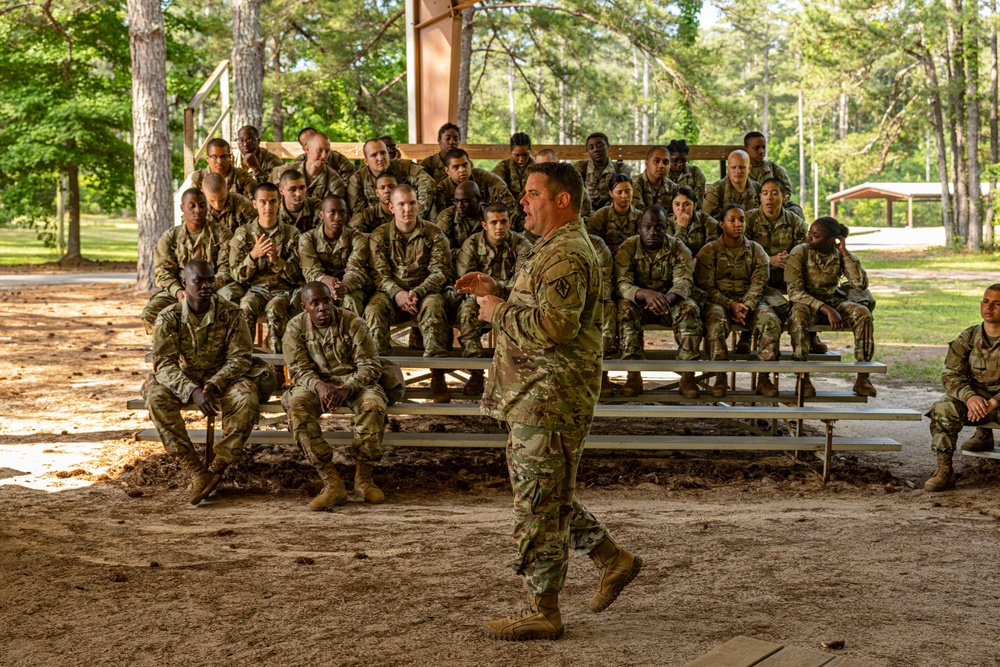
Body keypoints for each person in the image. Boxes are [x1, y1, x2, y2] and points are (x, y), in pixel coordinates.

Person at [456, 161, 642, 641]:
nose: (522, 201)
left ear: (562, 200)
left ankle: (544, 610)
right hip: (535, 396)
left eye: (533, 193)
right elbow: (542, 310)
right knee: (546, 495)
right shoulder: (553, 248)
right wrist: (498, 293)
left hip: (550, 398)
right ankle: (612, 559)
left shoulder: (566, 254)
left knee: (537, 504)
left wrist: (497, 313)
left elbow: (554, 328)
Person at [143, 259, 277, 505]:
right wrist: (192, 390)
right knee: (156, 397)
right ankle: (195, 470)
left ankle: (216, 468)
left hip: (224, 376)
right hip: (186, 377)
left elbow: (240, 358)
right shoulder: (168, 317)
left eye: (210, 280)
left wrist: (215, 383)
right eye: (199, 281)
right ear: (185, 283)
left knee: (246, 397)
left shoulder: (231, 313)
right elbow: (164, 364)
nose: (206, 286)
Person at [282, 282, 389, 509]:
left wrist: (348, 387)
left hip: (353, 382)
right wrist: (319, 386)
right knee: (296, 407)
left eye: (326, 301)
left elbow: (370, 365)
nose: (323, 307)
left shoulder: (352, 322)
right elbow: (298, 370)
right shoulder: (295, 328)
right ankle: (331, 482)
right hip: (315, 385)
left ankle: (364, 478)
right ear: (305, 306)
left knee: (372, 405)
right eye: (315, 303)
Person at [365, 184, 453, 403]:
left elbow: (440, 272)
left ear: (418, 205)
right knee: (374, 309)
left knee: (434, 306)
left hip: (424, 292)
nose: (407, 209)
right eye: (401, 204)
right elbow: (379, 274)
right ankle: (383, 376)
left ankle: (437, 374)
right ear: (391, 207)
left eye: (412, 203)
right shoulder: (380, 236)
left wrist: (416, 292)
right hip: (390, 294)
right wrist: (397, 293)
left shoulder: (433, 234)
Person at [614, 205, 702, 398]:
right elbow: (622, 283)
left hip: (670, 303)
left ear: (666, 228)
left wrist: (666, 299)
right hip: (639, 303)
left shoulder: (678, 247)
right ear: (640, 227)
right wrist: (644, 294)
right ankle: (633, 374)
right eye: (648, 226)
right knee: (624, 309)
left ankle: (688, 375)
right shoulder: (628, 247)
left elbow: (684, 281)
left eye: (659, 227)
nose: (653, 232)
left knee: (690, 309)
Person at [694, 204, 780, 398]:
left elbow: (759, 282)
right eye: (732, 220)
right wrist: (730, 304)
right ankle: (720, 377)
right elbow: (706, 287)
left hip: (750, 301)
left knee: (770, 322)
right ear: (722, 224)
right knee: (715, 323)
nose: (738, 224)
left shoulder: (757, 250)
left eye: (741, 219)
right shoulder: (709, 251)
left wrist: (747, 305)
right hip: (719, 301)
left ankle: (764, 378)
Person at [785, 217, 876, 398]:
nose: (809, 238)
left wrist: (844, 251)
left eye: (815, 236)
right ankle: (802, 379)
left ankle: (863, 379)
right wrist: (826, 309)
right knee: (798, 316)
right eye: (809, 233)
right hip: (807, 303)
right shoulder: (800, 252)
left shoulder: (838, 254)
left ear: (830, 240)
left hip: (834, 300)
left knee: (863, 314)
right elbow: (795, 293)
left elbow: (860, 284)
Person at [924, 285, 1000, 491]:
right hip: (975, 402)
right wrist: (970, 397)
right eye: (986, 301)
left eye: (997, 303)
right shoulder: (968, 337)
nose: (989, 307)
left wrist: (994, 402)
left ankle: (983, 434)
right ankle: (944, 471)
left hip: (997, 403)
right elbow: (951, 374)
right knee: (943, 407)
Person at [454, 203, 532, 395]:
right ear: (484, 224)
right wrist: (482, 296)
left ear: (510, 222)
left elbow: (523, 281)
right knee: (466, 314)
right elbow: (466, 278)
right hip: (478, 298)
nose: (499, 227)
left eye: (503, 221)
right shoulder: (471, 245)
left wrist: (498, 296)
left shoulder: (522, 245)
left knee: (521, 316)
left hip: (512, 298)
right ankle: (476, 373)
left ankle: (515, 375)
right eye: (494, 222)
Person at [141, 189, 238, 334]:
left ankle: (217, 351)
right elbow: (163, 273)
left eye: (202, 205)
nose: (197, 210)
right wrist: (179, 291)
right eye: (191, 206)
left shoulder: (221, 234)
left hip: (211, 290)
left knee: (228, 308)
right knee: (150, 312)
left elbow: (227, 269)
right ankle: (169, 350)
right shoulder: (170, 238)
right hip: (180, 291)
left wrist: (201, 290)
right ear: (182, 208)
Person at [740, 177, 812, 355]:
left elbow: (804, 249)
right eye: (765, 193)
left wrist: (790, 261)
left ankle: (811, 333)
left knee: (809, 282)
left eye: (774, 193)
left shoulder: (795, 222)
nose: (769, 198)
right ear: (760, 197)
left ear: (784, 197)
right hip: (756, 272)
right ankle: (745, 334)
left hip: (785, 272)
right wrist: (769, 260)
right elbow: (741, 251)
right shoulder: (748, 219)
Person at [229, 182, 303, 353]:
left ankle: (277, 366)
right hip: (256, 290)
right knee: (245, 306)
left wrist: (277, 261)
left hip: (283, 291)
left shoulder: (292, 234)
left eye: (272, 202)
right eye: (263, 202)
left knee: (275, 308)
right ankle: (244, 360)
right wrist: (253, 255)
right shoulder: (244, 233)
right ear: (254, 204)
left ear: (279, 203)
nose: (268, 207)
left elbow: (298, 275)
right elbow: (236, 274)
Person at [299, 195, 371, 318]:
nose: (337, 218)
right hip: (318, 287)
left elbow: (356, 270)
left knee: (351, 300)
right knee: (313, 300)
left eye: (342, 213)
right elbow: (310, 270)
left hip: (349, 288)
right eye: (332, 212)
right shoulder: (308, 239)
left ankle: (352, 335)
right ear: (321, 215)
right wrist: (324, 279)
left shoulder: (357, 239)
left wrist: (344, 287)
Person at [347, 138, 437, 220]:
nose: (380, 158)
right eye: (374, 155)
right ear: (366, 161)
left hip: (410, 218)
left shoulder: (403, 166)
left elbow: (428, 184)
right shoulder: (357, 180)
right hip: (377, 226)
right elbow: (358, 214)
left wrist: (416, 216)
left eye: (383, 152)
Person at [433, 148, 516, 215]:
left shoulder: (482, 176)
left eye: (465, 165)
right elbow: (441, 218)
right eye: (456, 167)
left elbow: (507, 200)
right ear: (447, 170)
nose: (462, 170)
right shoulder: (442, 189)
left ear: (470, 164)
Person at [744, 131, 804, 219]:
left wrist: (776, 201)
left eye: (763, 148)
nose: (761, 151)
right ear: (746, 150)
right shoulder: (740, 170)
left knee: (796, 210)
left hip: (774, 207)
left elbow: (786, 191)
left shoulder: (774, 169)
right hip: (749, 207)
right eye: (756, 148)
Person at [270, 132, 347, 200]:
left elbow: (336, 210)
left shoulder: (335, 181)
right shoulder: (282, 172)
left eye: (327, 151)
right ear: (307, 149)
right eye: (319, 150)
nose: (324, 156)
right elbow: (266, 197)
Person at [586, 173, 643, 255]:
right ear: (611, 193)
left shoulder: (640, 216)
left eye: (628, 191)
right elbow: (591, 244)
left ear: (632, 191)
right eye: (619, 192)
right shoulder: (601, 216)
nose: (624, 196)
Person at [573, 132, 632, 211]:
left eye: (599, 145)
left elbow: (625, 196)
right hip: (586, 213)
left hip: (612, 213)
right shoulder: (581, 168)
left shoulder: (620, 169)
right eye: (591, 147)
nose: (596, 150)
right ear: (587, 150)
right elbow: (576, 194)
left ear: (608, 146)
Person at [701, 149, 760, 220]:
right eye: (733, 167)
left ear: (749, 168)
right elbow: (704, 219)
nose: (738, 171)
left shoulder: (759, 189)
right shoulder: (716, 190)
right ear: (727, 168)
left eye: (742, 167)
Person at [492, 132, 534, 229]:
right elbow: (495, 188)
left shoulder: (537, 167)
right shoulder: (503, 166)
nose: (521, 159)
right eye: (517, 155)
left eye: (525, 155)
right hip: (506, 212)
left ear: (530, 151)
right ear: (511, 152)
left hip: (530, 211)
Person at [190, 138, 257, 199]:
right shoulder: (198, 178)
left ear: (230, 157)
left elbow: (256, 201)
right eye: (214, 157)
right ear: (207, 158)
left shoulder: (243, 176)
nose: (219, 161)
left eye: (224, 157)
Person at [435, 180, 486, 259]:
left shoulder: (490, 215)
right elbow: (440, 250)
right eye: (456, 201)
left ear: (478, 199)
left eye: (465, 201)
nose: (459, 206)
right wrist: (468, 253)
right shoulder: (446, 217)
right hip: (457, 262)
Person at [668, 186, 719, 259]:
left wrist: (698, 260)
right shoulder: (667, 223)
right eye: (677, 204)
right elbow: (672, 253)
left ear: (694, 206)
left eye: (686, 204)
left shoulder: (706, 221)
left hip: (703, 264)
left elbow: (714, 248)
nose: (681, 209)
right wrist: (681, 228)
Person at [632, 146, 678, 211]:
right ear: (647, 163)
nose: (661, 166)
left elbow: (675, 214)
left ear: (670, 166)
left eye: (665, 162)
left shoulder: (673, 188)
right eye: (656, 161)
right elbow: (637, 214)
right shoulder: (635, 184)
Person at [276, 169, 321, 233]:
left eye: (302, 188)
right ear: (281, 191)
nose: (299, 194)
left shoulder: (316, 206)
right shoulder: (274, 210)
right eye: (292, 189)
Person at [666, 139, 707, 203]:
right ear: (668, 159)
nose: (680, 164)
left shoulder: (695, 173)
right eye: (675, 160)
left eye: (683, 160)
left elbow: (698, 202)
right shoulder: (663, 173)